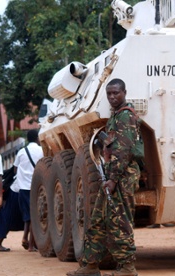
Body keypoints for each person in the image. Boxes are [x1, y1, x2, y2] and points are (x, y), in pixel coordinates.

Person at [68, 78, 141, 276]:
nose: (112, 97)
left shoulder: (126, 116)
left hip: (122, 176)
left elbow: (123, 151)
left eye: (116, 93)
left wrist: (114, 179)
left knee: (119, 221)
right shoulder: (115, 117)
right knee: (98, 220)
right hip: (111, 175)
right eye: (109, 94)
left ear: (124, 92)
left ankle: (127, 267)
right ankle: (90, 265)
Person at [13, 129, 43, 252]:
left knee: (27, 216)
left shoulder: (21, 152)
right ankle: (31, 245)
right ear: (37, 138)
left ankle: (25, 238)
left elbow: (15, 170)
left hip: (23, 188)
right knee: (34, 216)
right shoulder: (41, 150)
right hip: (36, 187)